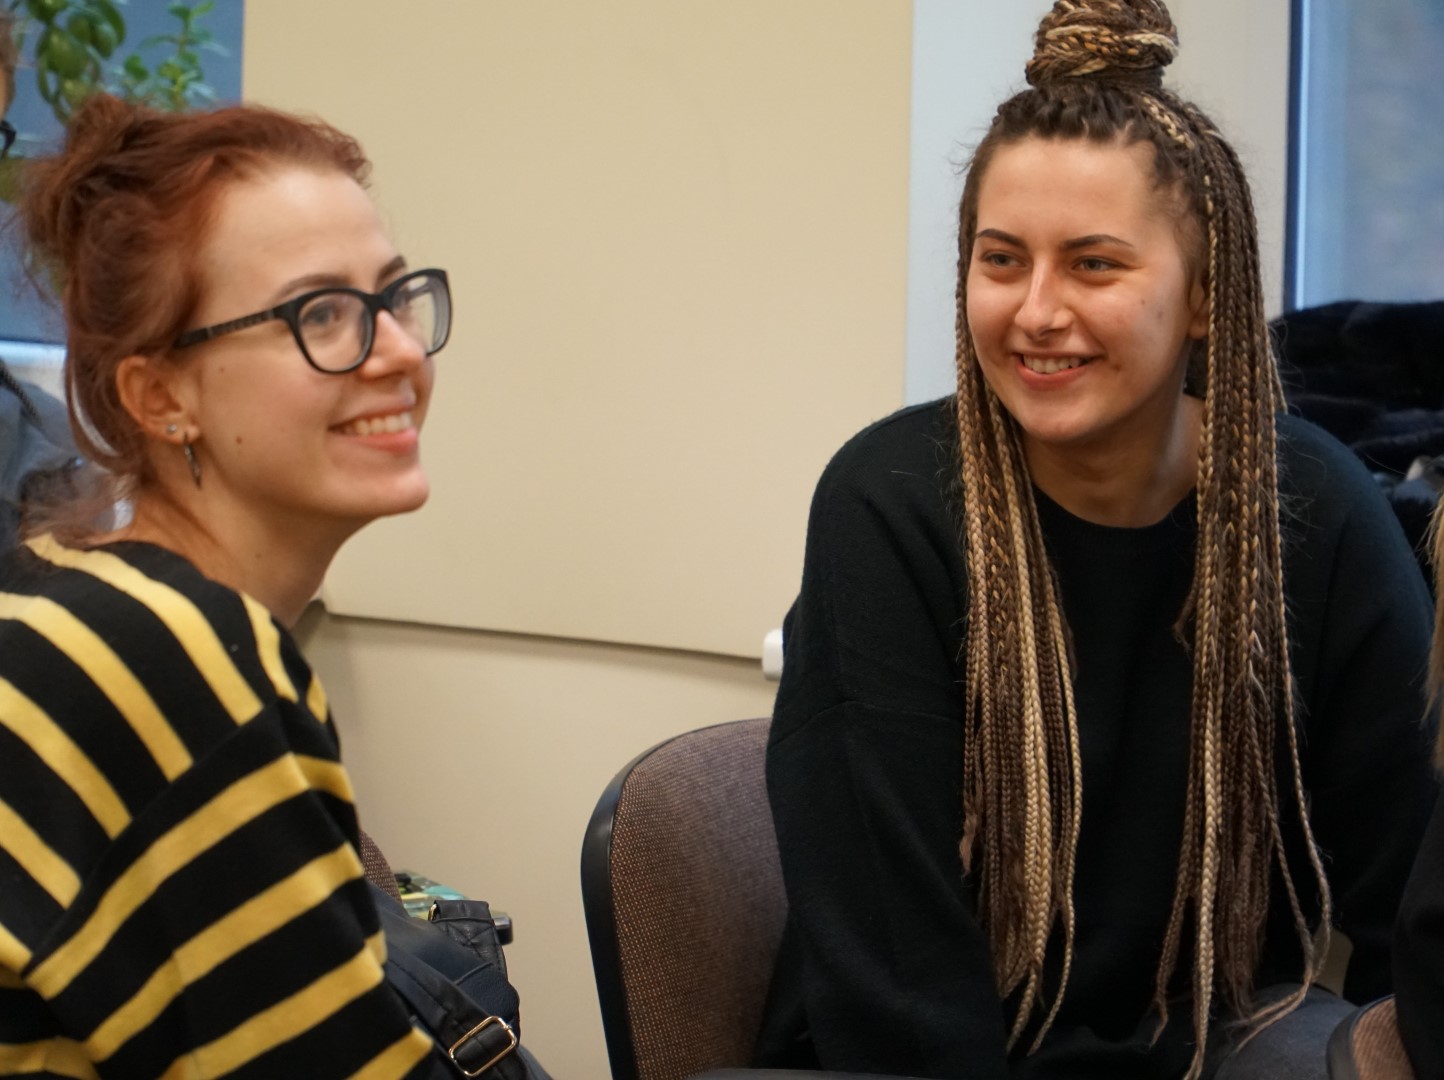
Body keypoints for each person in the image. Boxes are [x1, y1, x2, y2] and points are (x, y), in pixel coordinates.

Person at [755, 2, 1437, 1078]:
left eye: (1093, 265)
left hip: (1207, 1046)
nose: (1035, 311)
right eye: (1001, 260)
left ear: (1202, 295)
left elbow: (1409, 892)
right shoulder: (888, 506)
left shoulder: (1311, 507)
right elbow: (897, 980)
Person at [0, 93, 522, 1078]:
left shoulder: (72, 589)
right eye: (320, 313)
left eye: (393, 298)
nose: (399, 352)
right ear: (160, 395)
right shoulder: (168, 661)